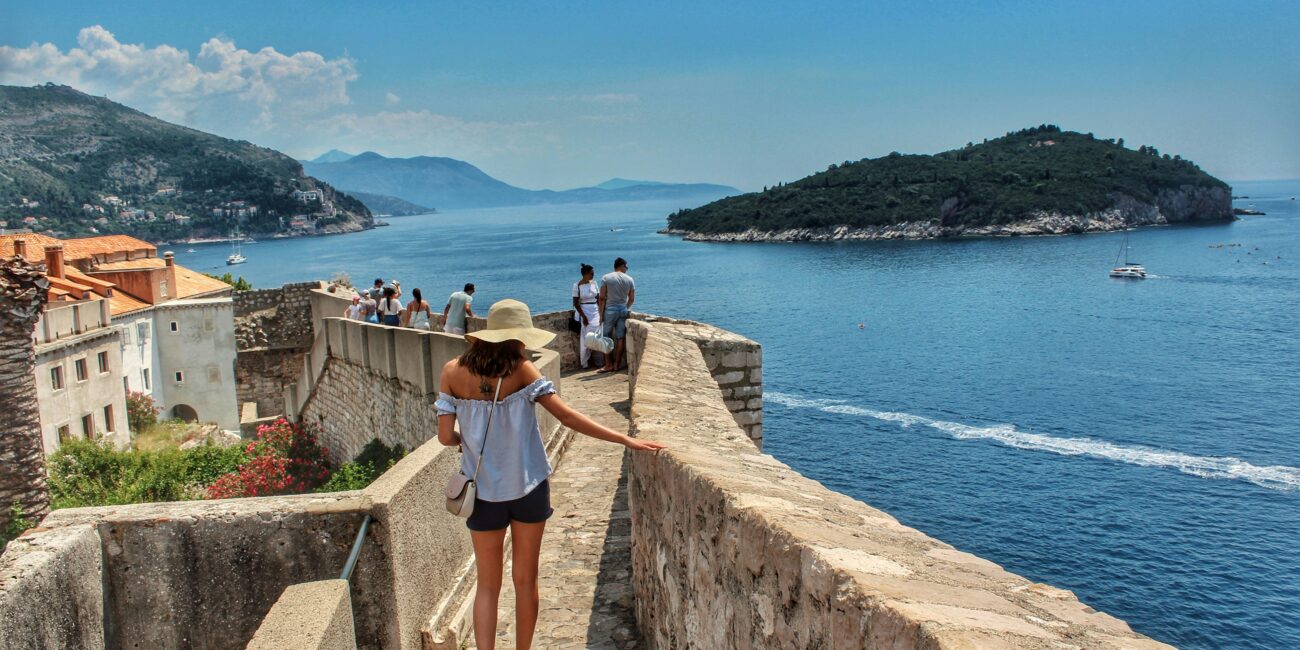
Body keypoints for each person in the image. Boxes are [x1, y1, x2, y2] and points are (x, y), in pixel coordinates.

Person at [435, 299, 665, 650]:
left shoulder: (452, 371)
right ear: (518, 337)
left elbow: (444, 437)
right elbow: (568, 417)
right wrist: (624, 439)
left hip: (482, 492)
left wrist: (467, 441)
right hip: (528, 487)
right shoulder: (522, 370)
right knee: (525, 581)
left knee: (487, 586)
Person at [597, 257, 635, 373]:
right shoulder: (630, 279)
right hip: (623, 310)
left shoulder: (606, 278)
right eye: (626, 266)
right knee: (620, 338)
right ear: (621, 266)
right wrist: (625, 307)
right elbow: (632, 299)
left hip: (610, 310)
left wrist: (601, 314)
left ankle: (608, 365)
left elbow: (602, 297)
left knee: (605, 337)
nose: (627, 269)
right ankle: (617, 364)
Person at [571, 264, 602, 369]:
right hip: (584, 311)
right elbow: (575, 303)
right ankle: (587, 361)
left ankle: (598, 360)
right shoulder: (577, 286)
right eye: (591, 273)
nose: (593, 275)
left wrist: (601, 312)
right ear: (585, 274)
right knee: (586, 337)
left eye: (593, 273)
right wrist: (583, 317)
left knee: (597, 335)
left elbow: (598, 299)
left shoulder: (594, 283)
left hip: (595, 311)